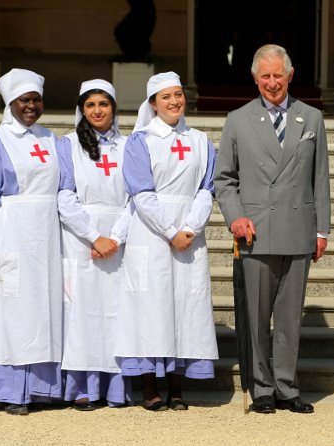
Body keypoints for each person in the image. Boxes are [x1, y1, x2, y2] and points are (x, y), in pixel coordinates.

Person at [214, 44, 331, 414]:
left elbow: (321, 178)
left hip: (298, 229)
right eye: (264, 76)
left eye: (277, 75)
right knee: (257, 315)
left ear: (290, 75)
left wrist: (322, 230)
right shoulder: (237, 119)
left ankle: (286, 385)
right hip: (256, 231)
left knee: (288, 317)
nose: (271, 82)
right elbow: (224, 179)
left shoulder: (311, 118)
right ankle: (262, 386)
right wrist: (235, 217)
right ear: (254, 78)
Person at [115, 72, 218, 411]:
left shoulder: (201, 140)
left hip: (190, 234)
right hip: (152, 233)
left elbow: (206, 188)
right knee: (151, 307)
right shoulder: (140, 140)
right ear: (153, 104)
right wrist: (170, 231)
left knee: (184, 307)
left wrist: (190, 226)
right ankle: (149, 387)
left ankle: (177, 386)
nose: (174, 102)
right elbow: (141, 193)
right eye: (166, 97)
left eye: (178, 95)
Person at [0, 69, 63, 416]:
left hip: (48, 238)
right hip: (10, 232)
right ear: (11, 103)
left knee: (43, 312)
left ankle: (40, 388)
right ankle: (10, 390)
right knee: (11, 312)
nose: (31, 106)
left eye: (36, 99)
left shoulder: (52, 139)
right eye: (25, 100)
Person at [57, 79, 133, 410]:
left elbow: (136, 197)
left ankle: (116, 388)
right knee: (81, 312)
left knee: (117, 312)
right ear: (81, 109)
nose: (97, 110)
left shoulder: (130, 145)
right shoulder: (68, 145)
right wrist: (94, 236)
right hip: (81, 239)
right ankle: (82, 387)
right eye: (90, 105)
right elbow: (64, 195)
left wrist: (114, 237)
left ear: (114, 107)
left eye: (103, 103)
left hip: (119, 238)